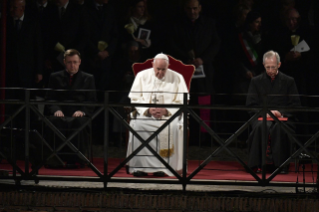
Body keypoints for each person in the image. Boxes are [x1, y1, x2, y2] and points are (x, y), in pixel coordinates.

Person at [126, 53, 188, 177]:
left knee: (173, 127)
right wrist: (148, 110)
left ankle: (163, 167)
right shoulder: (142, 75)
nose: (160, 72)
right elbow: (134, 98)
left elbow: (183, 100)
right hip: (146, 114)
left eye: (163, 69)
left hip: (168, 115)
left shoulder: (177, 77)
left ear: (168, 66)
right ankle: (139, 167)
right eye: (157, 69)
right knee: (137, 126)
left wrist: (166, 110)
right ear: (152, 65)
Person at [168, 0, 220, 145]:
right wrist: (185, 58)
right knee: (185, 102)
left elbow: (216, 44)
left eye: (195, 8)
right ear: (185, 9)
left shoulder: (209, 23)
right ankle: (185, 136)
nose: (192, 12)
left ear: (200, 8)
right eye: (189, 9)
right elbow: (172, 45)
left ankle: (204, 137)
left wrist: (203, 59)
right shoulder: (177, 24)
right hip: (184, 71)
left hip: (204, 72)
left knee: (204, 103)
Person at [246, 50, 301, 174]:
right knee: (262, 125)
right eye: (267, 67)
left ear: (279, 65)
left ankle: (281, 165)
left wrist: (280, 113)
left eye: (273, 67)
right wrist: (264, 113)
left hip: (283, 118)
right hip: (262, 116)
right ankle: (258, 164)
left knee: (279, 128)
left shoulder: (289, 81)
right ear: (263, 65)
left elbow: (295, 105)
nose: (270, 70)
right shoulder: (256, 81)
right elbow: (251, 105)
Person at [45, 49, 96, 167]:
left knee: (79, 122)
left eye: (75, 62)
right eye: (69, 62)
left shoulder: (88, 78)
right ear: (64, 62)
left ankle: (76, 159)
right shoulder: (55, 77)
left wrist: (82, 111)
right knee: (54, 121)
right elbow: (50, 98)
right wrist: (56, 110)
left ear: (80, 62)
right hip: (61, 112)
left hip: (78, 113)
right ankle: (56, 158)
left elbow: (91, 100)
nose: (72, 65)